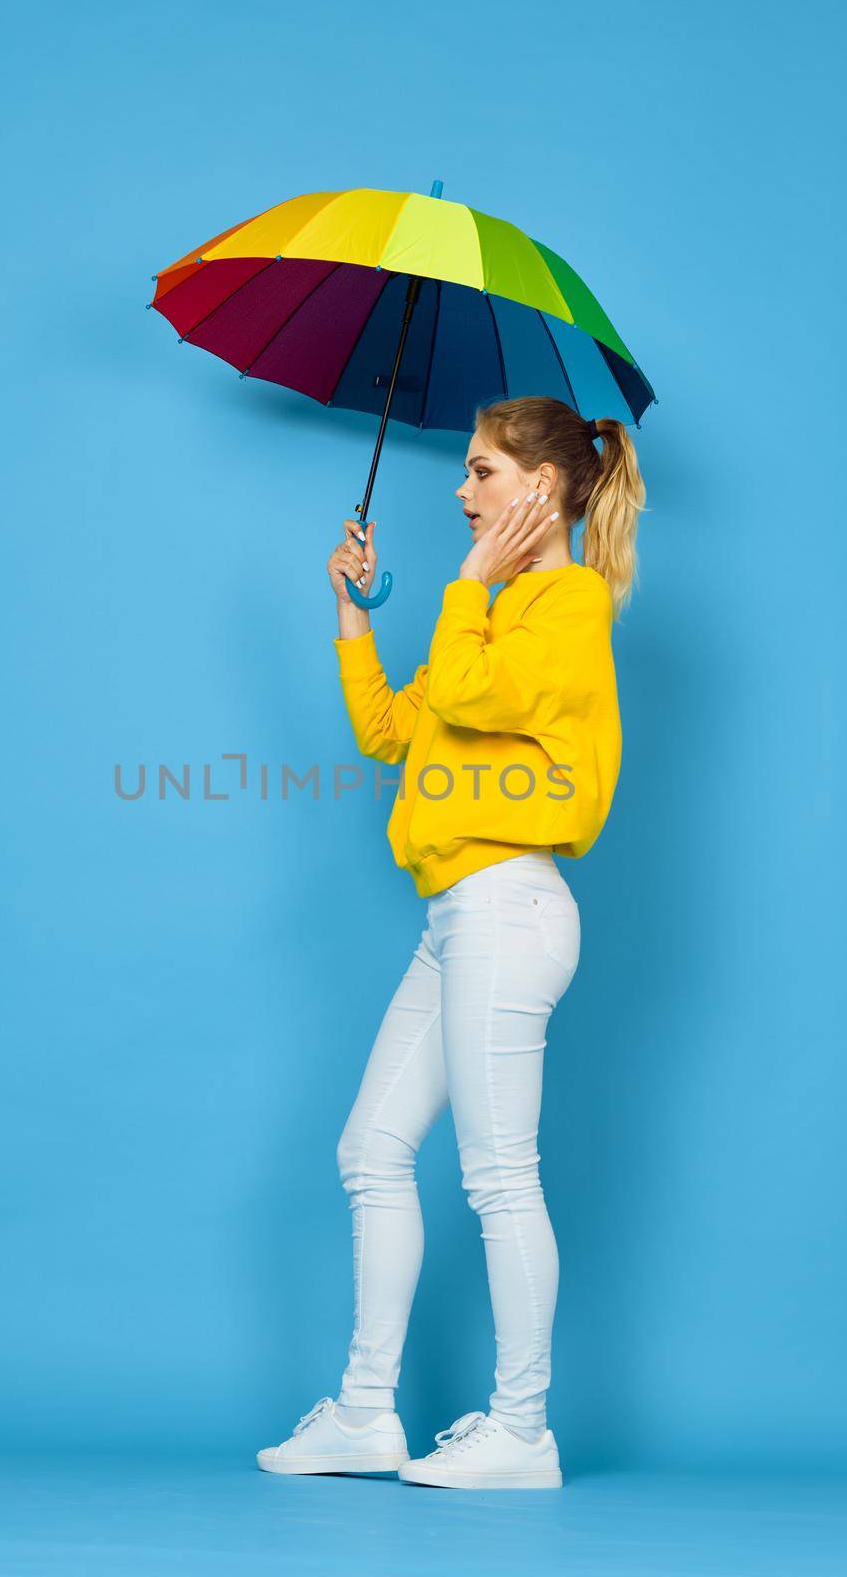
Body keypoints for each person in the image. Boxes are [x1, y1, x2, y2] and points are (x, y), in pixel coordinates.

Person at [256, 396, 647, 1490]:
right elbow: (393, 728)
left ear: (542, 487)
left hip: (509, 910)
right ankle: (365, 1414)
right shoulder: (497, 609)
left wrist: (466, 583)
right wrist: (351, 612)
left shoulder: (562, 605)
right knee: (369, 1151)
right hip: (458, 917)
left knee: (496, 1177)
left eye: (480, 470)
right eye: (465, 472)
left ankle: (520, 1429)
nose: (460, 489)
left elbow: (471, 688)